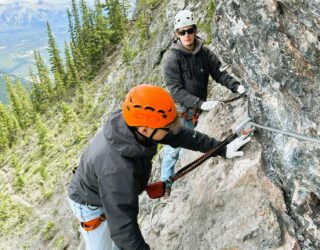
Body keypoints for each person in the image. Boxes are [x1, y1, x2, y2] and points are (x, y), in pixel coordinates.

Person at [67, 84, 251, 250]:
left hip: (110, 188)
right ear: (145, 130)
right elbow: (124, 229)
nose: (171, 129)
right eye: (166, 127)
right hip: (89, 203)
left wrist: (221, 148)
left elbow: (179, 136)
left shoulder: (139, 125)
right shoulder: (116, 168)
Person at [161, 10, 246, 194]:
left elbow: (218, 73)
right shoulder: (172, 60)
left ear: (195, 30)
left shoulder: (204, 53)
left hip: (200, 110)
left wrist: (236, 87)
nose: (186, 35)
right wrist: (199, 104)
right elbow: (175, 91)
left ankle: (188, 182)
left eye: (189, 30)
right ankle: (165, 184)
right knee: (174, 148)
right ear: (176, 34)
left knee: (194, 145)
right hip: (182, 113)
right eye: (182, 32)